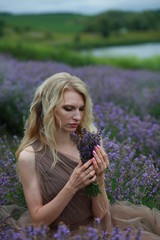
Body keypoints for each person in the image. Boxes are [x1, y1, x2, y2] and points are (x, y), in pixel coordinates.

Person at [5, 72, 160, 239]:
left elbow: (100, 216)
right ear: (48, 109)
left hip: (96, 230)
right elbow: (38, 222)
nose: (77, 117)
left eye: (81, 109)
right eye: (68, 109)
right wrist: (72, 186)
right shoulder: (30, 156)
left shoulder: (89, 143)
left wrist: (99, 178)